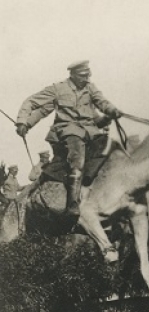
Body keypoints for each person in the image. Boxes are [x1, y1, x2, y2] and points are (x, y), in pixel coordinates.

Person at [15, 61, 122, 215]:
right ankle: (72, 204)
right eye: (82, 76)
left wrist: (111, 111)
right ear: (72, 74)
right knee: (77, 156)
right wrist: (23, 122)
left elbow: (101, 102)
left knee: (110, 145)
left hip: (90, 130)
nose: (86, 79)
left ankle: (88, 179)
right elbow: (32, 103)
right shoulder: (58, 89)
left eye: (88, 75)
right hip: (67, 130)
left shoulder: (90, 88)